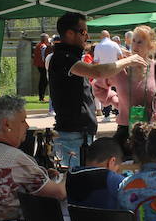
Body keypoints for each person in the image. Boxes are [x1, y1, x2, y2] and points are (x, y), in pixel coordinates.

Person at [49, 12, 144, 170]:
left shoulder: (69, 57)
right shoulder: (63, 58)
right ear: (70, 34)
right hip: (72, 135)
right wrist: (129, 60)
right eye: (83, 32)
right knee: (74, 183)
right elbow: (98, 72)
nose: (86, 37)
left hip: (78, 134)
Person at [108, 25, 156, 140]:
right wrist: (116, 101)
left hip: (152, 129)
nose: (135, 45)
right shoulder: (121, 66)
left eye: (140, 42)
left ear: (150, 46)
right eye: (133, 40)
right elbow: (98, 86)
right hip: (125, 129)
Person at [91, 30, 122, 119]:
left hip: (103, 72)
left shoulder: (98, 46)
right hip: (115, 71)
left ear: (101, 37)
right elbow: (121, 57)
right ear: (109, 36)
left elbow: (96, 62)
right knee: (117, 92)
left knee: (105, 93)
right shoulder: (115, 44)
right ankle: (117, 112)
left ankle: (107, 114)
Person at [32, 33, 51, 102]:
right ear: (45, 39)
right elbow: (44, 56)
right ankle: (41, 97)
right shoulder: (43, 46)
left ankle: (41, 96)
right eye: (47, 38)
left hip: (39, 65)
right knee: (44, 81)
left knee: (43, 80)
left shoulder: (38, 45)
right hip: (42, 65)